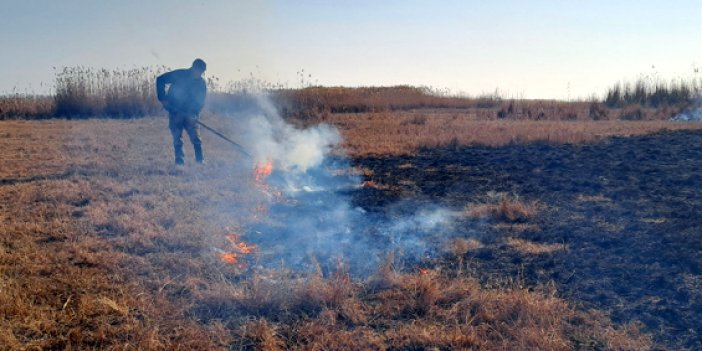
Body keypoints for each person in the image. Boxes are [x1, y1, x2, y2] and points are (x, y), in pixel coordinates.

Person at [156, 58, 207, 165]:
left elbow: (201, 101)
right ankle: (179, 161)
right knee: (177, 138)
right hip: (175, 112)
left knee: (196, 138)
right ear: (194, 68)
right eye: (200, 72)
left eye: (202, 72)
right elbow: (160, 79)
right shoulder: (179, 74)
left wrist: (194, 113)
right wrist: (163, 98)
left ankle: (200, 160)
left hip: (191, 115)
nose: (201, 74)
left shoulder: (201, 83)